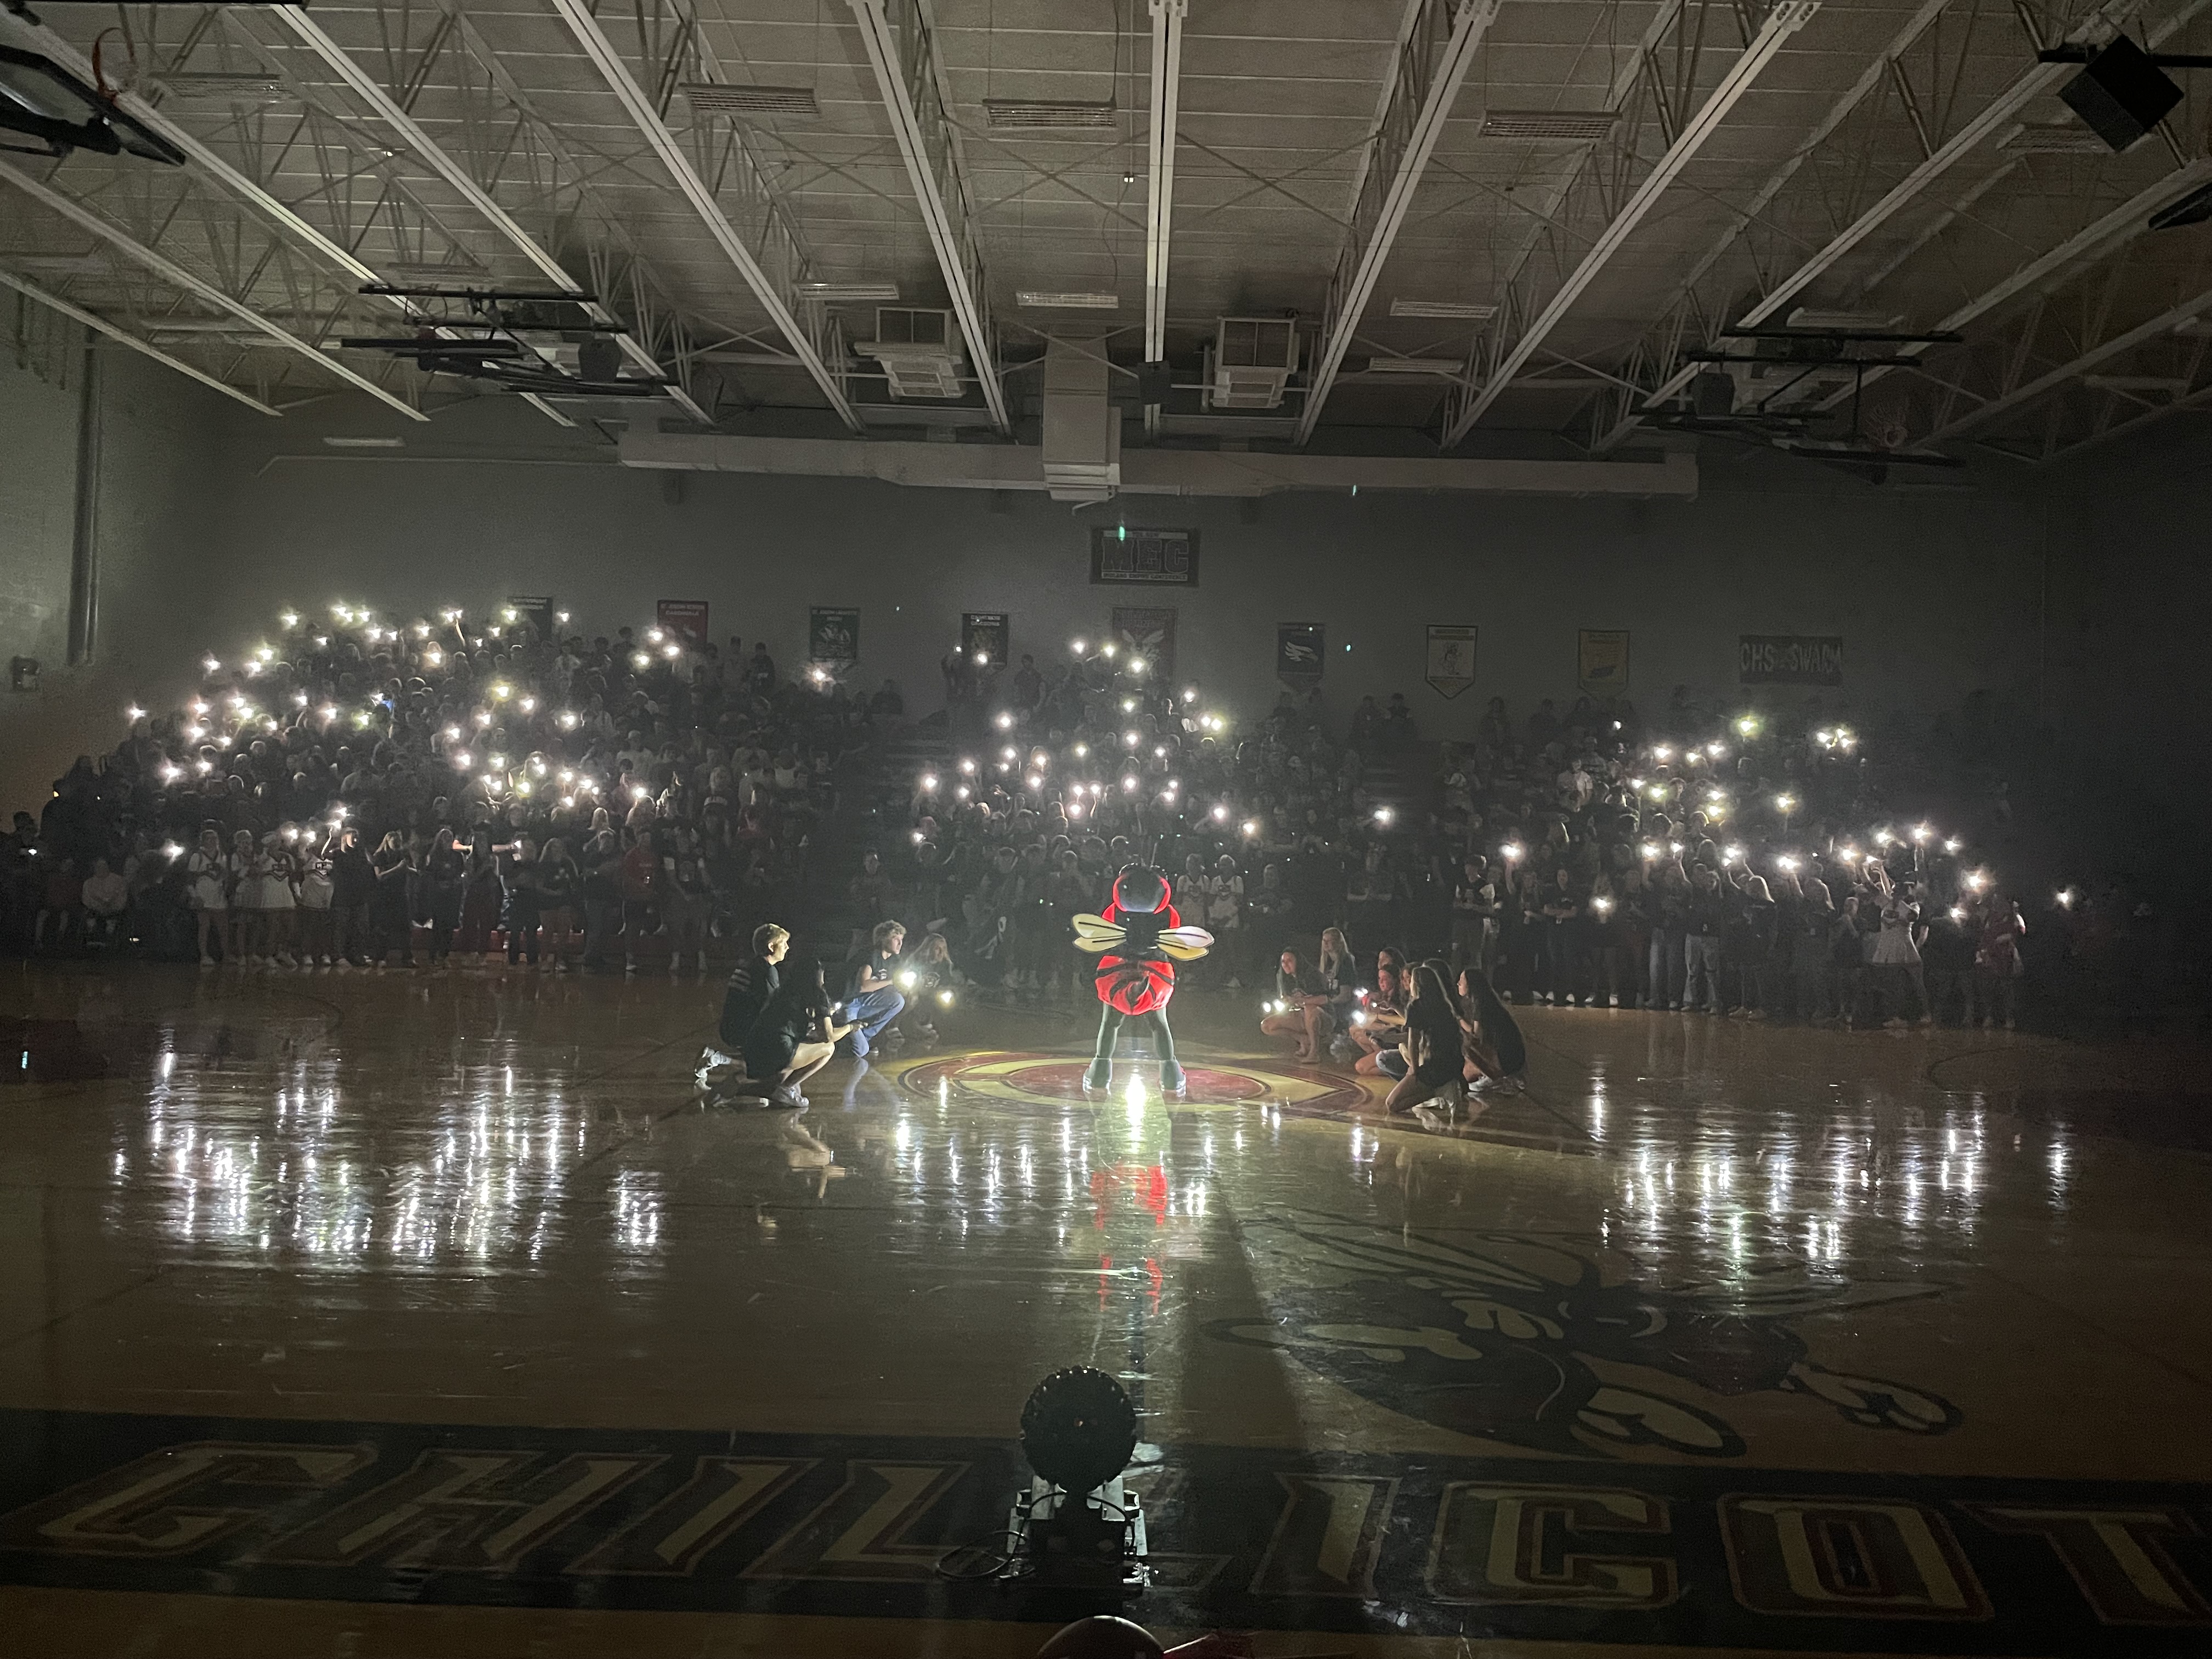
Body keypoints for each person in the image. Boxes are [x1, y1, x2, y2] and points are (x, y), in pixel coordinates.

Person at [744, 957, 854, 1109]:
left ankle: (771, 1089)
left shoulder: (783, 991)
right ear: (818, 975)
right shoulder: (817, 994)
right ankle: (786, 1089)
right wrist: (851, 1027)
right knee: (829, 1048)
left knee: (803, 1044)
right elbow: (828, 1036)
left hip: (754, 1050)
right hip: (778, 1051)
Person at [1384, 963, 1465, 1116]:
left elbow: (1413, 1041)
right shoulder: (1445, 1005)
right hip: (1454, 1064)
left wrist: (1414, 1070)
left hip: (1434, 1066)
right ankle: (1442, 1089)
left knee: (1392, 1104)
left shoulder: (1416, 1006)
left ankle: (1438, 1091)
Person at [840, 919, 908, 1058]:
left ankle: (866, 1035)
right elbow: (864, 986)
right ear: (884, 939)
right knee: (862, 1051)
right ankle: (844, 1035)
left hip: (867, 1001)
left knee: (898, 1000)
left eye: (901, 940)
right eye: (896, 939)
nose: (900, 944)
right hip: (850, 1002)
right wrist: (892, 982)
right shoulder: (871, 955)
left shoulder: (895, 960)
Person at [1457, 965, 1528, 1092]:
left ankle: (1494, 1077)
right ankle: (1489, 1074)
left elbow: (1476, 1037)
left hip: (1506, 1059)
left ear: (1471, 984)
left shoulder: (1481, 1005)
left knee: (1466, 1047)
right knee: (1462, 1075)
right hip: (1512, 1057)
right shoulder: (1486, 1001)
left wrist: (1458, 1018)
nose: (1458, 983)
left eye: (1462, 980)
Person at [1262, 947, 1332, 1064]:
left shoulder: (1312, 974)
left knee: (1310, 1009)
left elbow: (1324, 999)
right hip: (1299, 1015)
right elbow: (1286, 999)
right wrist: (1287, 1001)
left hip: (1323, 1016)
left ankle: (1314, 1052)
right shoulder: (1283, 977)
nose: (1286, 965)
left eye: (1290, 961)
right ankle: (1303, 1040)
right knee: (1267, 1025)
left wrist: (1303, 1001)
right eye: (1283, 962)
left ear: (1298, 961)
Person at [1972, 890, 2025, 1030]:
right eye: (1995, 902)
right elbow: (1985, 936)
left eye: (1999, 902)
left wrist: (2003, 939)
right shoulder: (1990, 917)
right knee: (1988, 988)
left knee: (2007, 989)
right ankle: (1989, 1016)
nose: (1996, 904)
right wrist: (1982, 951)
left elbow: (2017, 934)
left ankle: (2009, 1018)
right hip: (1990, 956)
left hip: (2005, 958)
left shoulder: (2013, 918)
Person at [185, 828, 228, 966]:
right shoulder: (197, 857)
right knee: (204, 926)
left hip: (218, 896)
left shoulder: (222, 856)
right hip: (202, 896)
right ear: (203, 841)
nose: (212, 841)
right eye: (209, 839)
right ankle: (204, 954)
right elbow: (189, 880)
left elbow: (224, 876)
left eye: (214, 838)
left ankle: (226, 954)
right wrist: (195, 896)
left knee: (223, 927)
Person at [80, 856, 128, 949]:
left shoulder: (119, 881)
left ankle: (110, 942)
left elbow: (122, 898)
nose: (101, 868)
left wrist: (111, 907)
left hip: (114, 911)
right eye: (98, 866)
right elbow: (86, 900)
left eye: (104, 865)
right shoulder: (88, 883)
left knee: (112, 922)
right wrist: (99, 907)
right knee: (91, 920)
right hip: (95, 911)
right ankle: (92, 940)